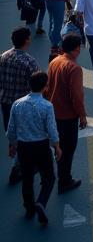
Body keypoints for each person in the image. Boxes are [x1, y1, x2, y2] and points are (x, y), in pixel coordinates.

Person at [6, 69, 59, 225]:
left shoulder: (17, 104)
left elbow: (11, 130)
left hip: (23, 147)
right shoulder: (47, 106)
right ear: (45, 87)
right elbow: (52, 130)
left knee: (27, 179)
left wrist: (13, 146)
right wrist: (57, 147)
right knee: (49, 177)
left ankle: (29, 209)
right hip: (41, 146)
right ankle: (41, 202)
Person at [42, 34, 86, 195]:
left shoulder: (54, 61)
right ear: (76, 49)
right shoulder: (74, 68)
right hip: (67, 116)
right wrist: (82, 116)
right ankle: (64, 180)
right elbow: (76, 96)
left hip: (52, 113)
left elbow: (47, 87)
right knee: (68, 150)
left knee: (58, 147)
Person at [1, 27, 39, 186]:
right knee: (25, 137)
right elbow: (37, 86)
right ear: (27, 40)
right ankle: (18, 169)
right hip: (23, 105)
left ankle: (13, 151)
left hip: (6, 102)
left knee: (12, 133)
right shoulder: (29, 62)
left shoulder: (3, 57)